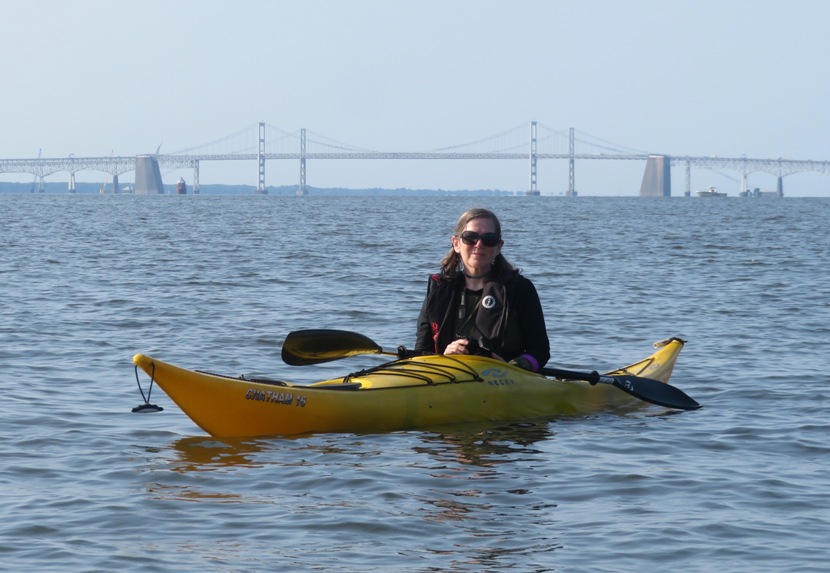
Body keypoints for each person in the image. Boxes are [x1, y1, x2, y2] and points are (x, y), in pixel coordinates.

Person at [414, 208, 550, 371]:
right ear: (456, 244)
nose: (479, 245)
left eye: (489, 239)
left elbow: (540, 351)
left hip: (502, 379)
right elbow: (421, 351)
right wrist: (445, 356)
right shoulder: (438, 289)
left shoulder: (520, 289)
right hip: (448, 375)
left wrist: (511, 367)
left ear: (498, 247)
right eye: (470, 238)